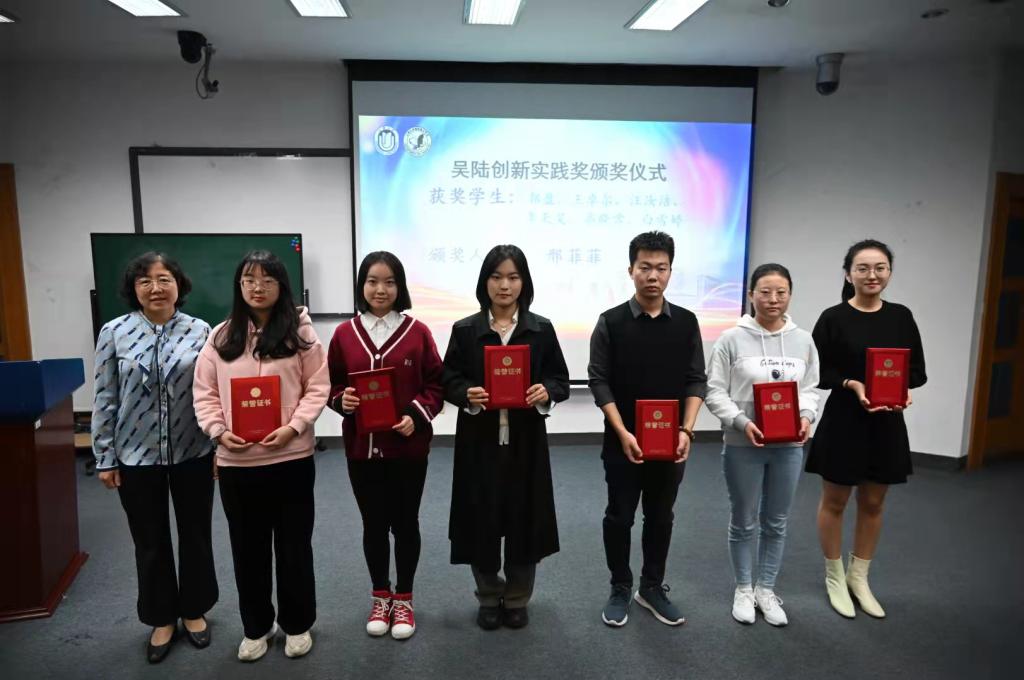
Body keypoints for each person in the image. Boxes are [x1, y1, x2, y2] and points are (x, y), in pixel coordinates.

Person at [192, 250, 329, 660]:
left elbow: (318, 387)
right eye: (249, 279)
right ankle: (256, 627)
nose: (258, 287)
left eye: (268, 280)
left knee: (294, 547)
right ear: (239, 286)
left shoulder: (301, 334)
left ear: (281, 287)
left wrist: (294, 427)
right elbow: (204, 393)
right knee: (247, 550)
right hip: (237, 464)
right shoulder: (221, 336)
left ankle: (297, 624)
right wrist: (218, 431)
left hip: (291, 459)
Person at [91, 251, 217, 663]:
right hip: (135, 453)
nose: (155, 287)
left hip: (193, 450)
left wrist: (219, 446)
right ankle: (162, 617)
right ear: (134, 289)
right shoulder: (114, 332)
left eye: (164, 279)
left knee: (195, 533)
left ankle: (194, 610)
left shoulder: (201, 331)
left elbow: (214, 392)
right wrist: (105, 456)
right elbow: (105, 396)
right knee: (149, 540)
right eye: (145, 281)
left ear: (179, 285)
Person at [442, 244, 570, 630]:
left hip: (526, 444)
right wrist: (466, 394)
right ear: (485, 282)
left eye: (513, 277)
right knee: (479, 518)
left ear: (524, 282)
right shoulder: (465, 330)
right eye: (496, 277)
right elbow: (448, 379)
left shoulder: (541, 329)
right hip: (478, 443)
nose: (504, 285)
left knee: (524, 520)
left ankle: (516, 597)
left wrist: (546, 392)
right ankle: (487, 595)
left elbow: (560, 379)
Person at [588, 231, 707, 628]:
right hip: (622, 442)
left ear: (670, 271)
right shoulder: (611, 322)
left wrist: (686, 430)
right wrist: (622, 432)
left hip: (670, 443)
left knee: (660, 516)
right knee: (619, 516)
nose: (652, 276)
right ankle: (620, 586)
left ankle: (652, 587)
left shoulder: (686, 322)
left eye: (661, 268)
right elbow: (599, 380)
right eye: (645, 267)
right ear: (631, 270)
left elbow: (696, 379)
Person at [805, 239, 926, 619]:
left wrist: (903, 389)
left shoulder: (901, 317)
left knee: (873, 502)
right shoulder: (833, 317)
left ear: (889, 272)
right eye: (862, 268)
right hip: (844, 419)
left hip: (886, 421)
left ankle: (859, 577)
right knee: (835, 501)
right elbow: (817, 371)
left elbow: (916, 371)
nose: (872, 275)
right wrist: (852, 384)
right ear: (848, 274)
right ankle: (834, 576)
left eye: (879, 268)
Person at [327, 251, 443, 640]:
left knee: (406, 524)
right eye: (373, 281)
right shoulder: (345, 334)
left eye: (390, 282)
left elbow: (436, 385)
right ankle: (381, 595)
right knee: (373, 525)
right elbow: (331, 384)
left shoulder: (418, 332)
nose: (381, 289)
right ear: (361, 285)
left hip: (407, 450)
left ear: (400, 287)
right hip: (362, 450)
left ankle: (404, 598)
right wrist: (341, 400)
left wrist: (417, 415)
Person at [705, 263, 820, 626]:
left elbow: (810, 389)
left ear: (790, 295)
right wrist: (742, 422)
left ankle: (766, 589)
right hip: (743, 443)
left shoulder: (803, 340)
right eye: (765, 292)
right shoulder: (730, 339)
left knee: (777, 521)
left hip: (789, 446)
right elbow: (714, 391)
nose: (773, 299)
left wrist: (806, 416)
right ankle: (743, 588)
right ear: (751, 295)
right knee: (743, 519)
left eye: (781, 292)